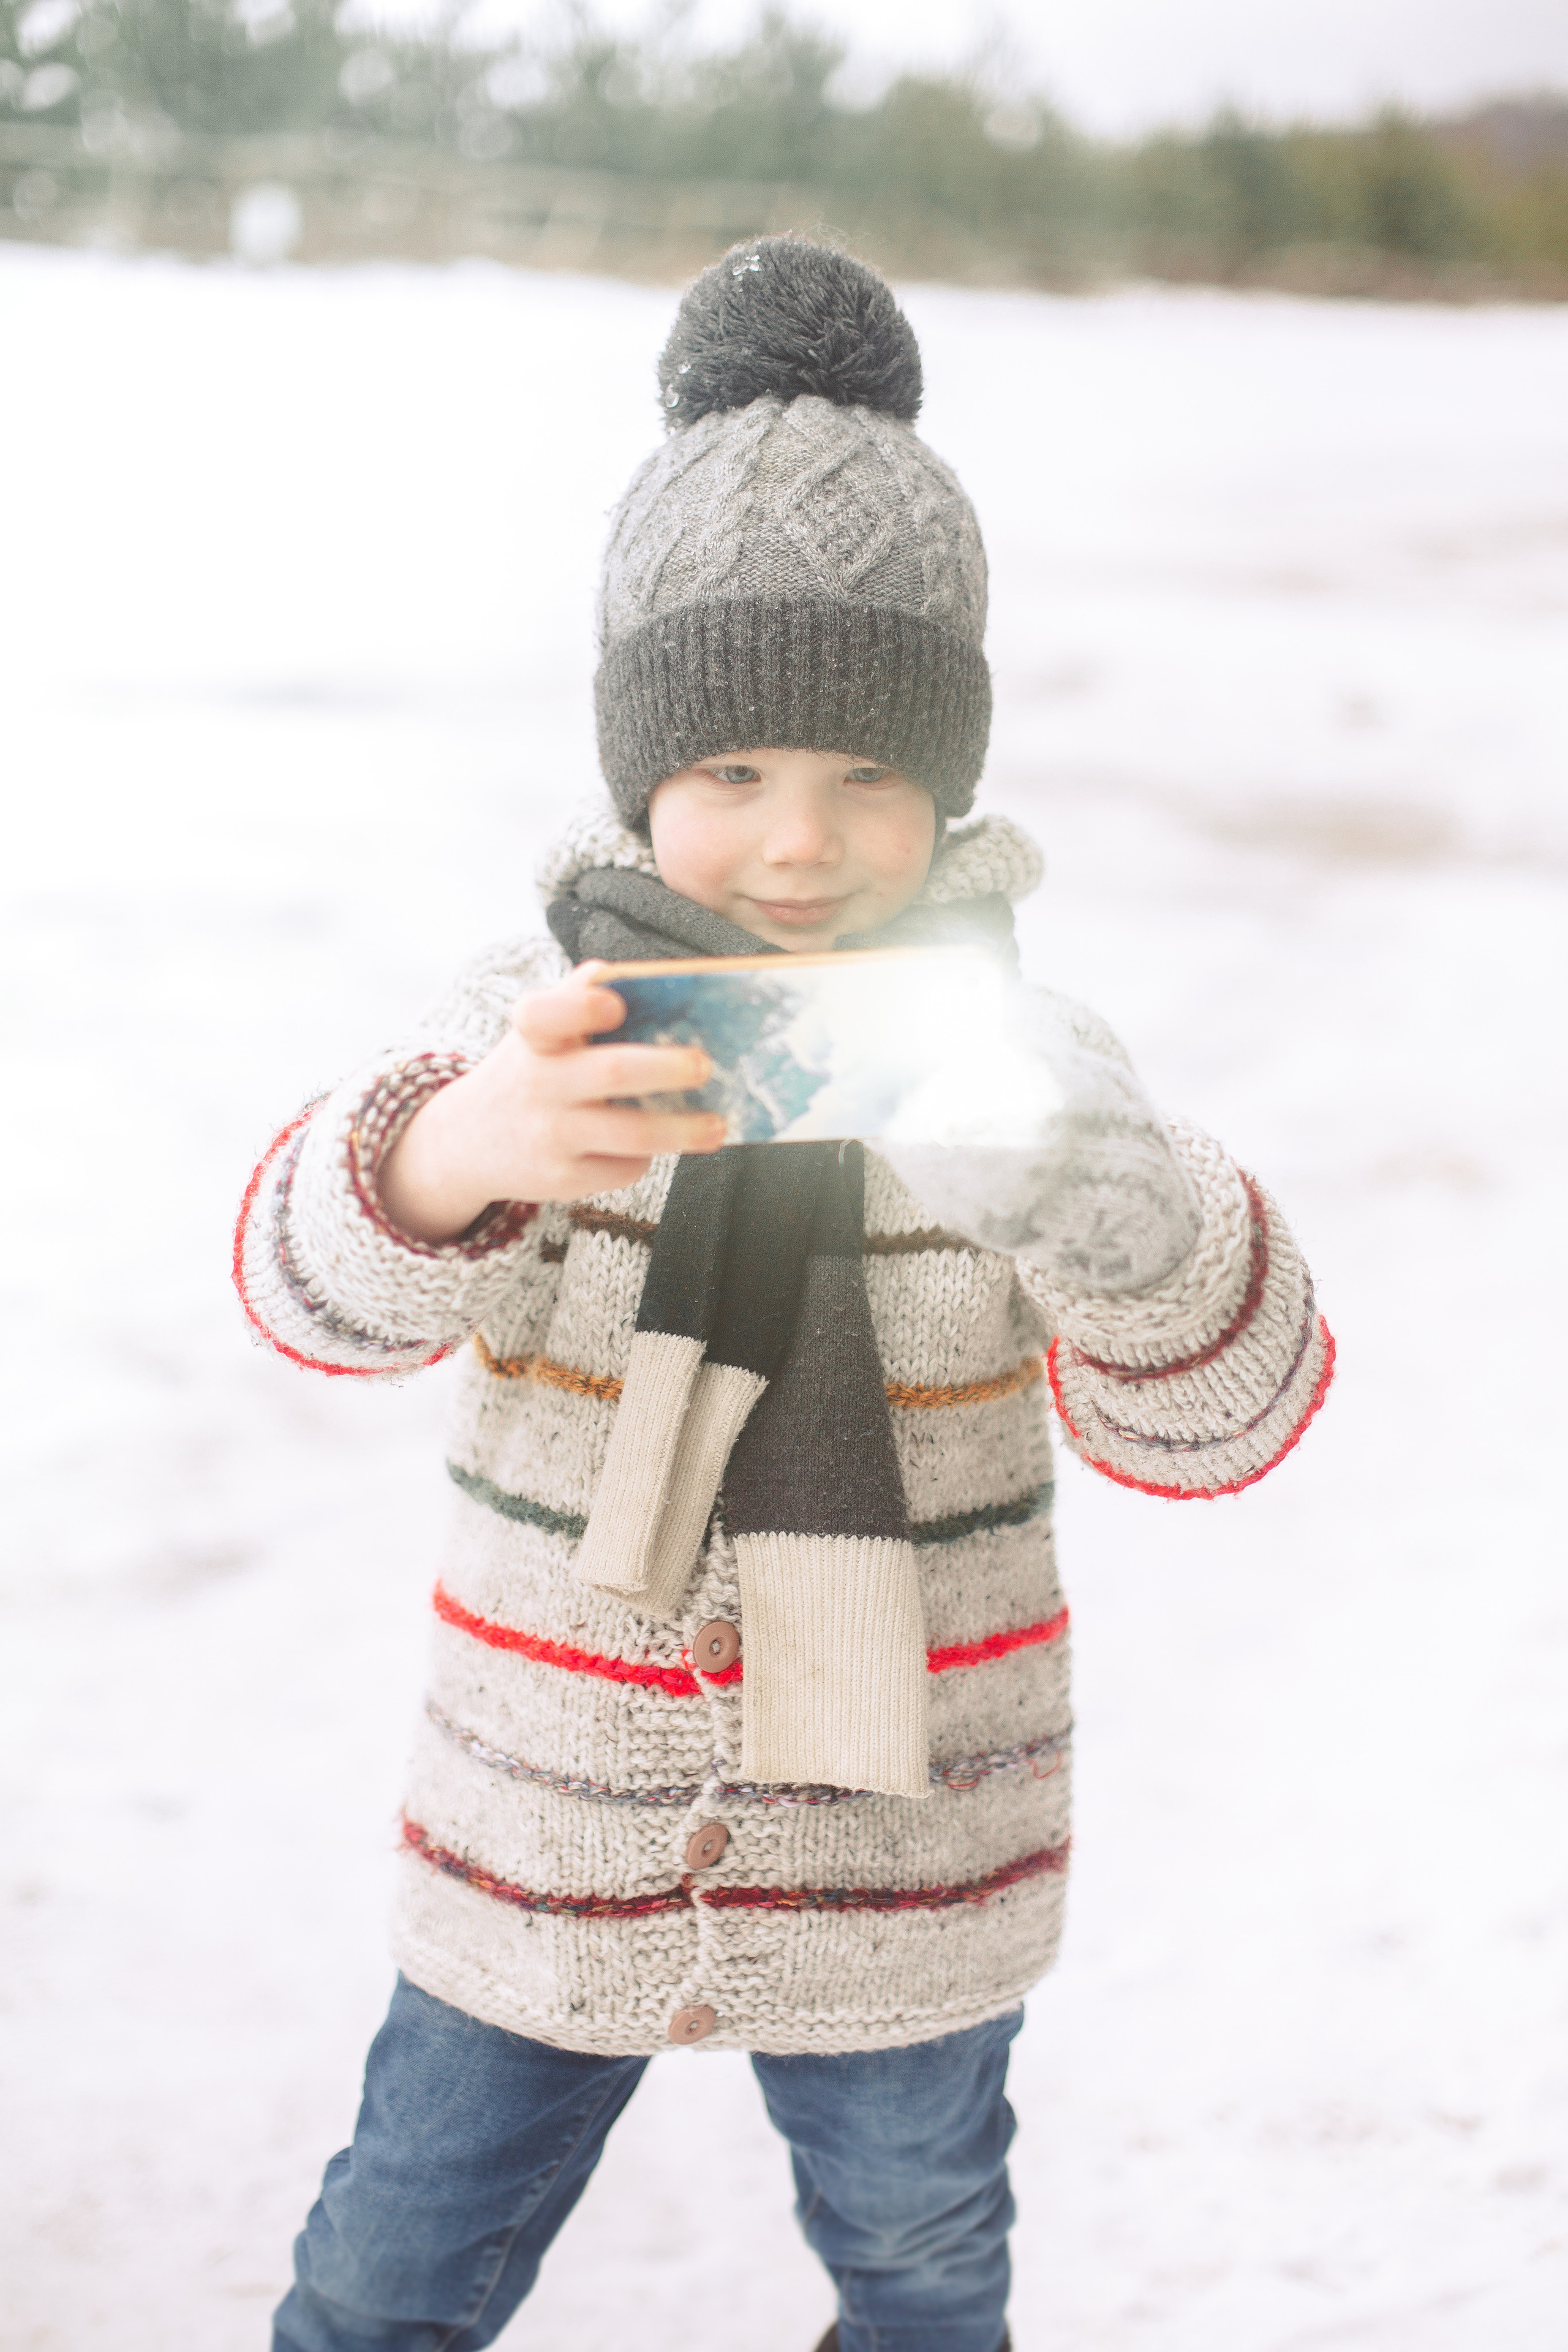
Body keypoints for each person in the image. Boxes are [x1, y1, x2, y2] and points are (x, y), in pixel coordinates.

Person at [238, 236, 1334, 2352]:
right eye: (733, 772)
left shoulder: (1042, 1064)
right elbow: (307, 1286)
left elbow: (1232, 1403)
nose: (800, 846)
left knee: (929, 2273)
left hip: (919, 1847)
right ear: (641, 767)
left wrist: (1081, 1197)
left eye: (867, 779)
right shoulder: (534, 1032)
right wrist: (456, 1155)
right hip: (542, 1815)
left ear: (957, 785)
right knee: (387, 2273)